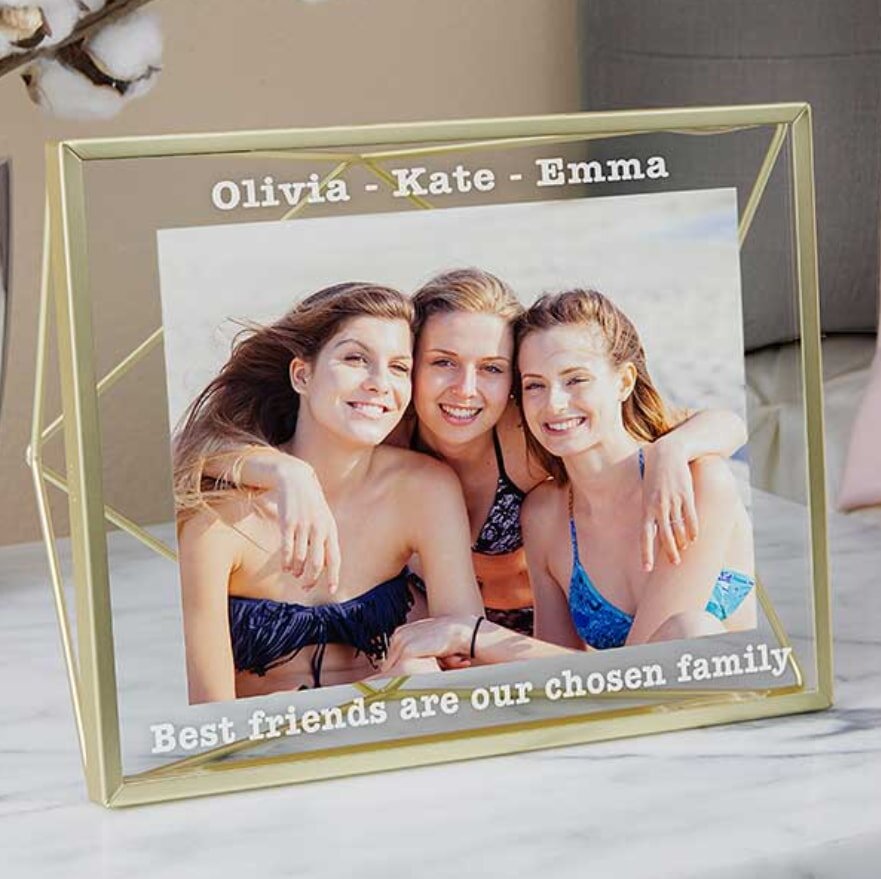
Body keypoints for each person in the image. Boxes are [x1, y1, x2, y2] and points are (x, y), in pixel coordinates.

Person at [203, 270, 747, 637]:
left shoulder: (534, 434)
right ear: (409, 363)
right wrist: (284, 471)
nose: (466, 391)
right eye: (442, 362)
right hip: (452, 634)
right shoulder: (385, 432)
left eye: (491, 368)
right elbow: (200, 452)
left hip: (541, 637)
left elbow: (720, 423)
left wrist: (676, 448)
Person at [382, 289, 756, 668]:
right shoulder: (545, 513)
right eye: (534, 385)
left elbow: (649, 667)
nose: (554, 404)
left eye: (575, 380)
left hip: (724, 710)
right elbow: (559, 676)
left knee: (692, 629)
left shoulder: (700, 481)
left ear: (624, 382)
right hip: (628, 712)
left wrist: (472, 634)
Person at [174, 283, 482, 703]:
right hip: (270, 748)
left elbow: (466, 652)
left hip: (388, 732)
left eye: (398, 367)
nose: (379, 383)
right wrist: (289, 475)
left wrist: (414, 675)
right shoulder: (218, 519)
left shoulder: (425, 490)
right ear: (302, 375)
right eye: (356, 359)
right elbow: (211, 716)